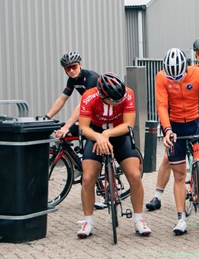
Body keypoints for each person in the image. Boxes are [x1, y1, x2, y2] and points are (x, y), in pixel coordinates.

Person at [147, 37, 199, 212]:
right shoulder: (161, 77)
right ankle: (158, 196)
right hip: (174, 121)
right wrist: (167, 129)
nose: (175, 81)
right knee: (169, 160)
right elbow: (161, 105)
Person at [76, 73, 151, 238]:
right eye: (115, 101)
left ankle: (139, 219)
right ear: (102, 95)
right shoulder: (89, 97)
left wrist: (107, 133)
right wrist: (98, 137)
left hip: (119, 134)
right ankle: (88, 221)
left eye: (120, 99)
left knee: (135, 175)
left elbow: (129, 124)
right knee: (88, 178)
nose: (119, 102)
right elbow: (83, 127)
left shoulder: (127, 94)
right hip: (95, 135)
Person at [46, 52, 103, 207]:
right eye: (67, 68)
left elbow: (82, 106)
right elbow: (62, 99)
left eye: (74, 67)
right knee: (63, 137)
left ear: (80, 64)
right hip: (89, 114)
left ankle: (105, 191)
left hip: (100, 116)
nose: (71, 70)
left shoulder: (91, 78)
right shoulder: (72, 80)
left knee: (82, 137)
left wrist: (66, 126)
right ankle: (78, 165)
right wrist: (47, 117)